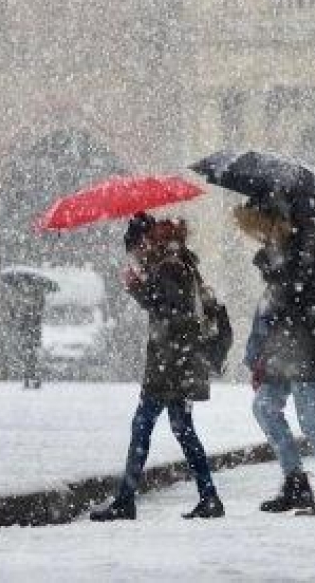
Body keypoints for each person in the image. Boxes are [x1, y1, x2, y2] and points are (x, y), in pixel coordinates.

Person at [90, 215, 224, 521]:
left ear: (143, 242)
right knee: (182, 430)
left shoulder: (168, 266)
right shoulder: (179, 261)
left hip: (169, 366)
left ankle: (125, 500)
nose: (136, 258)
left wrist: (137, 287)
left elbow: (174, 316)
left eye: (135, 252)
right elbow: (176, 309)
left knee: (142, 427)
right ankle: (209, 496)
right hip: (181, 363)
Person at [237, 197, 315, 516]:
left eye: (260, 227)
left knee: (312, 418)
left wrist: (270, 258)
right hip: (285, 346)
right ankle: (296, 482)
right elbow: (270, 307)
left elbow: (292, 292)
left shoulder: (308, 241)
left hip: (310, 345)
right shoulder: (287, 243)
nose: (257, 235)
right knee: (264, 407)